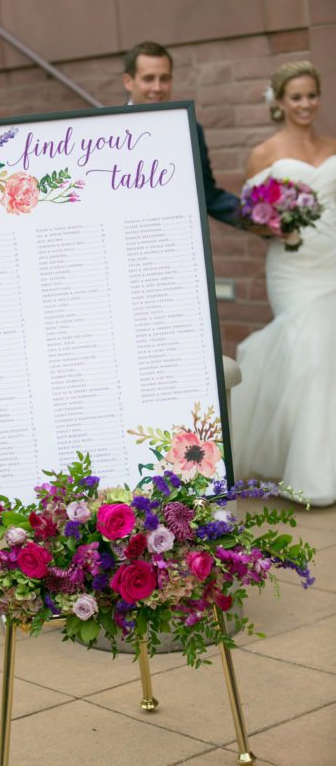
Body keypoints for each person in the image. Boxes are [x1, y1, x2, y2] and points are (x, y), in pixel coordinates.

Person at [232, 60, 336, 506]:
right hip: (294, 269)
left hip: (333, 256)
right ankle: (314, 477)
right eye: (296, 96)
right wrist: (273, 224)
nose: (306, 103)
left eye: (311, 94)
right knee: (311, 356)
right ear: (279, 101)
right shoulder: (265, 153)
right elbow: (249, 217)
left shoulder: (333, 144)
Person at [122, 41, 241, 227]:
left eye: (164, 79)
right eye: (148, 79)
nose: (157, 88)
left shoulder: (190, 129)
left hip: (178, 241)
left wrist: (258, 217)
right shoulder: (108, 132)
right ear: (128, 82)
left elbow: (208, 195)